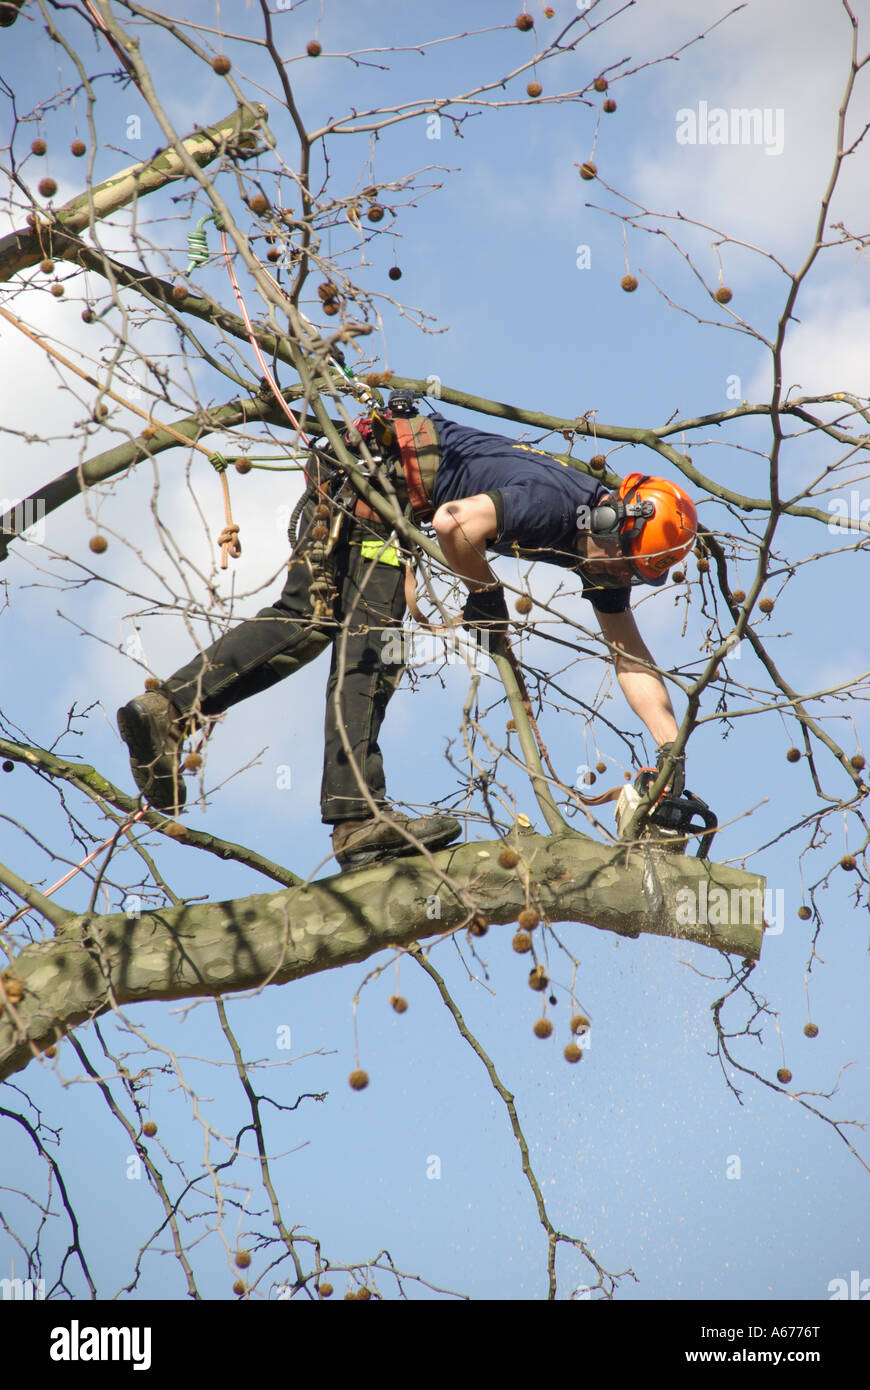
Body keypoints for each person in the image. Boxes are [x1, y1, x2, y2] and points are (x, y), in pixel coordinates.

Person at [116, 397, 697, 868]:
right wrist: (485, 594)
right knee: (372, 645)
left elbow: (630, 655)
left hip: (370, 482)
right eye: (621, 562)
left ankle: (165, 711)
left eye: (630, 574)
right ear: (609, 520)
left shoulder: (600, 549)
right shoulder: (551, 506)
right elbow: (453, 523)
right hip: (375, 486)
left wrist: (671, 755)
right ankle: (356, 821)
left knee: (311, 620)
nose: (616, 577)